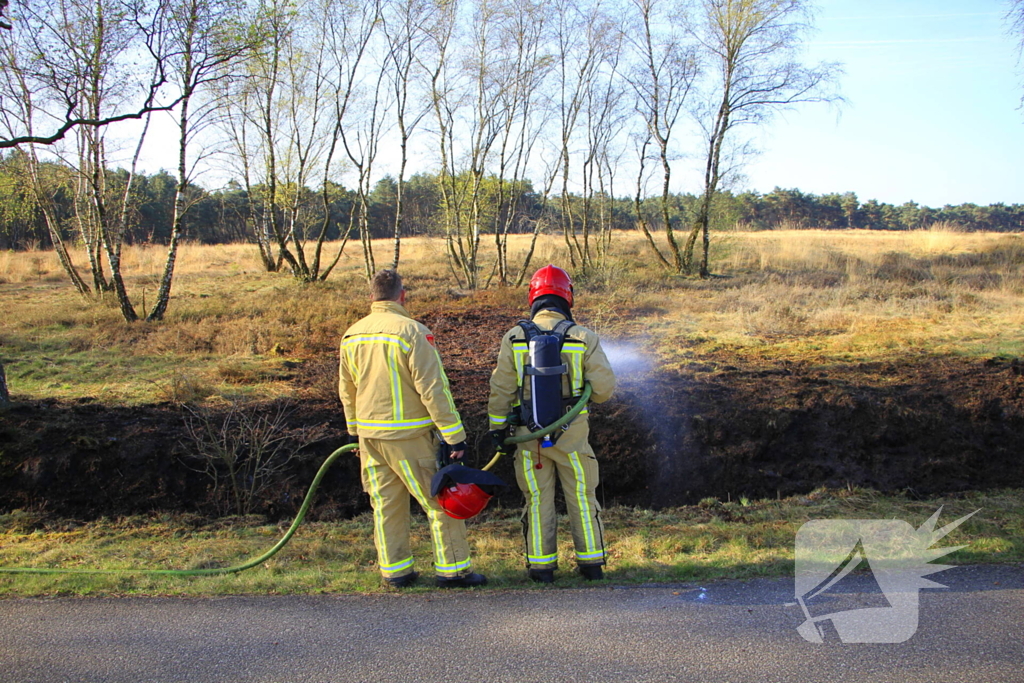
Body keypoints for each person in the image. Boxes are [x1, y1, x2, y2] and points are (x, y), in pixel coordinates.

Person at [339, 269, 486, 588]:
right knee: (439, 503)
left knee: (386, 506)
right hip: (409, 437)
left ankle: (396, 572)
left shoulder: (353, 334)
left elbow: (346, 388)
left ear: (371, 297)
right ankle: (455, 571)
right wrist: (454, 435)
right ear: (402, 295)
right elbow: (433, 388)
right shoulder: (413, 332)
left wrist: (353, 431)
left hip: (369, 438)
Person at [486, 265, 616, 583]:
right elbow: (602, 392)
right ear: (566, 297)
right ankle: (591, 565)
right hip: (572, 435)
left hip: (529, 438)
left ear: (534, 297)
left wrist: (498, 430)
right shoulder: (584, 337)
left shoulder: (514, 338)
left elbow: (501, 390)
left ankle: (541, 568)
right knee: (582, 495)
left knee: (537, 497)